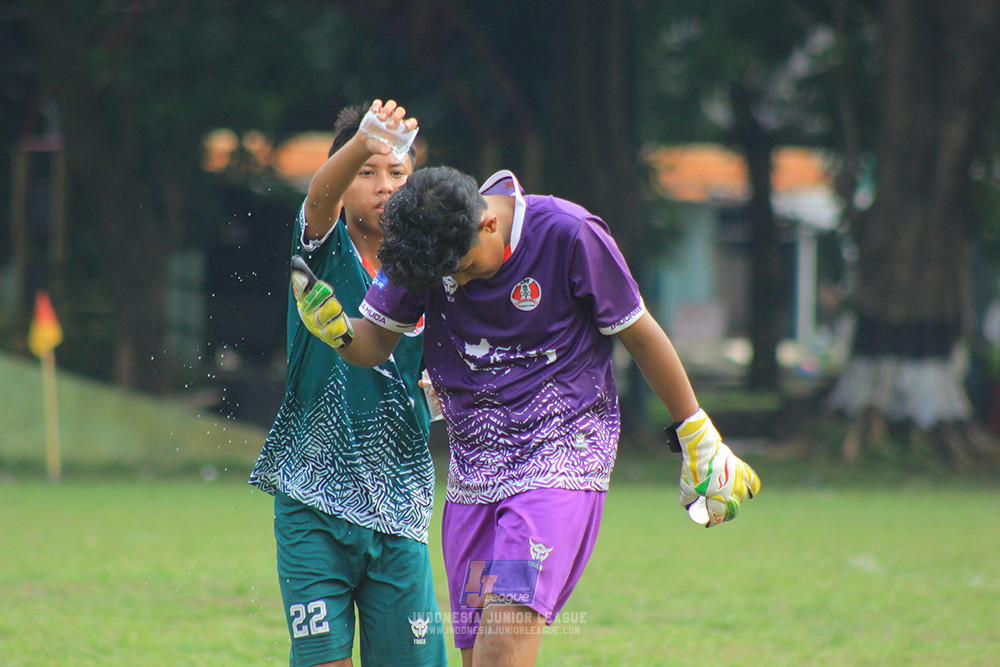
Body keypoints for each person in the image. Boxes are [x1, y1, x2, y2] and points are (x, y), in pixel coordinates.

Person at [295, 164, 760, 667]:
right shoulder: (424, 251)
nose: (456, 283)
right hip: (474, 475)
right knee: (478, 657)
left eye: (466, 268)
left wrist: (696, 432)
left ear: (488, 224)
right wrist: (339, 330)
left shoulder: (569, 233)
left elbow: (639, 332)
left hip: (561, 458)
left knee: (504, 641)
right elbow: (375, 343)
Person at [249, 100, 447, 667]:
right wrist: (363, 140)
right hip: (312, 498)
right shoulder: (321, 247)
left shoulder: (428, 270)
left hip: (400, 505)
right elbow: (317, 198)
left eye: (398, 173)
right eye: (367, 173)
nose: (384, 186)